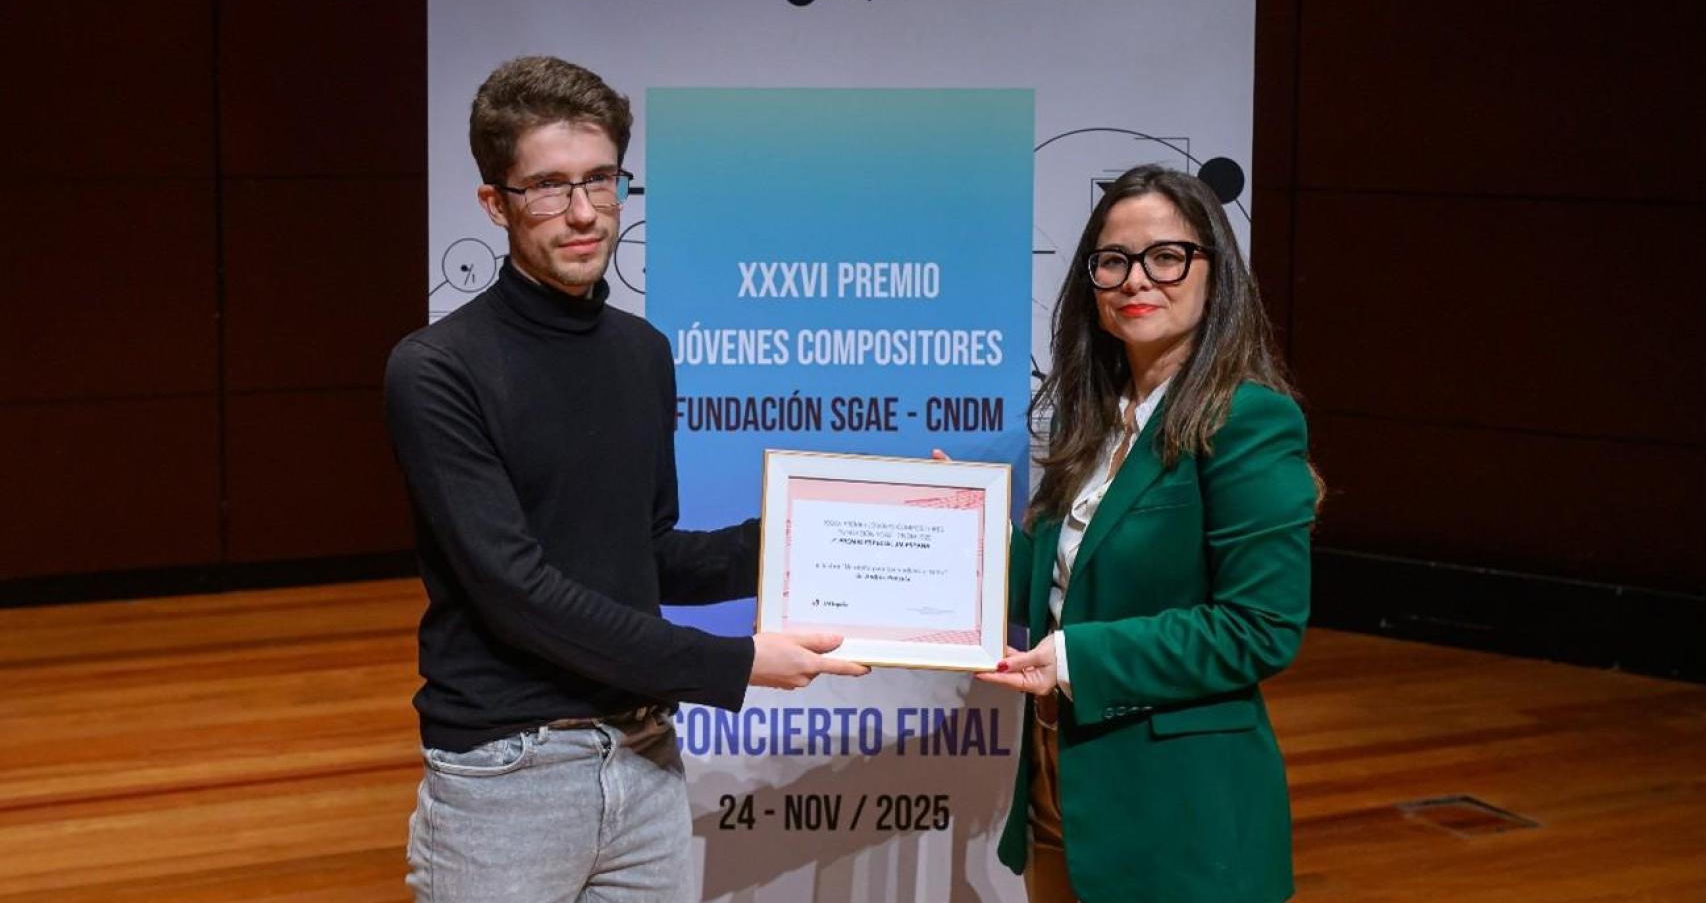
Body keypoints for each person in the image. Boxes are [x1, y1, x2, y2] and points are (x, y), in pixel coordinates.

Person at [384, 56, 868, 903]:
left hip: (644, 757)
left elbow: (646, 554)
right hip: (508, 777)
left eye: (601, 180)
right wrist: (734, 663)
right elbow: (517, 592)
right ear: (494, 204)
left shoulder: (640, 352)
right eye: (547, 187)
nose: (582, 213)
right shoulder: (436, 370)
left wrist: (831, 530)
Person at [976, 164, 1318, 902]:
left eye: (1167, 257)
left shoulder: (1248, 419)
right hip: (1058, 790)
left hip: (1178, 817)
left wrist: (1075, 657)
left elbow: (1261, 627)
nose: (1138, 280)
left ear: (1213, 274)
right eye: (1114, 261)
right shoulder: (1092, 422)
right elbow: (1047, 581)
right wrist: (954, 534)